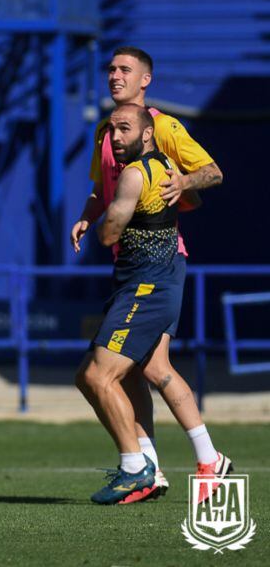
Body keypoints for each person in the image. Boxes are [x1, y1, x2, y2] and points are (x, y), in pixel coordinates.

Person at [70, 46, 224, 497]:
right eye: (111, 69)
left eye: (125, 70)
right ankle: (195, 460)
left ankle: (145, 466)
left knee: (104, 374)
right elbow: (104, 187)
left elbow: (213, 172)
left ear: (145, 80)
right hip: (131, 263)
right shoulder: (110, 130)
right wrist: (87, 214)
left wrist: (185, 181)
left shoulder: (161, 126)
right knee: (150, 369)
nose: (114, 75)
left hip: (159, 261)